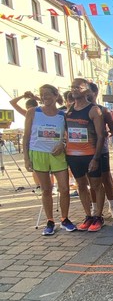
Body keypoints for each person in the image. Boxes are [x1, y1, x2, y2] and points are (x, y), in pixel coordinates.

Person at [23, 84, 76, 235]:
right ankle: (50, 221)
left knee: (64, 188)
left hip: (57, 154)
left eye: (47, 94)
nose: (44, 97)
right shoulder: (33, 112)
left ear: (55, 95)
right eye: (42, 94)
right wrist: (26, 158)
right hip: (38, 153)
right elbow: (26, 136)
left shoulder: (62, 115)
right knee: (46, 189)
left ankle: (65, 219)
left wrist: (63, 144)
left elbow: (68, 135)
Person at [64, 78, 105, 231]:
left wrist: (96, 157)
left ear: (87, 90)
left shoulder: (94, 110)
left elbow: (101, 136)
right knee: (81, 185)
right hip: (73, 155)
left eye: (78, 87)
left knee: (96, 185)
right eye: (72, 87)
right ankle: (88, 215)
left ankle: (98, 216)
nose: (74, 89)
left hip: (90, 154)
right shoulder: (69, 109)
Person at [88, 82, 113, 221]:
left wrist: (106, 133)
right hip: (84, 152)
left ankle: (112, 205)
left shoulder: (103, 110)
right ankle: (95, 208)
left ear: (95, 93)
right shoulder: (77, 110)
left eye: (88, 92)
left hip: (102, 150)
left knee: (106, 179)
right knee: (91, 182)